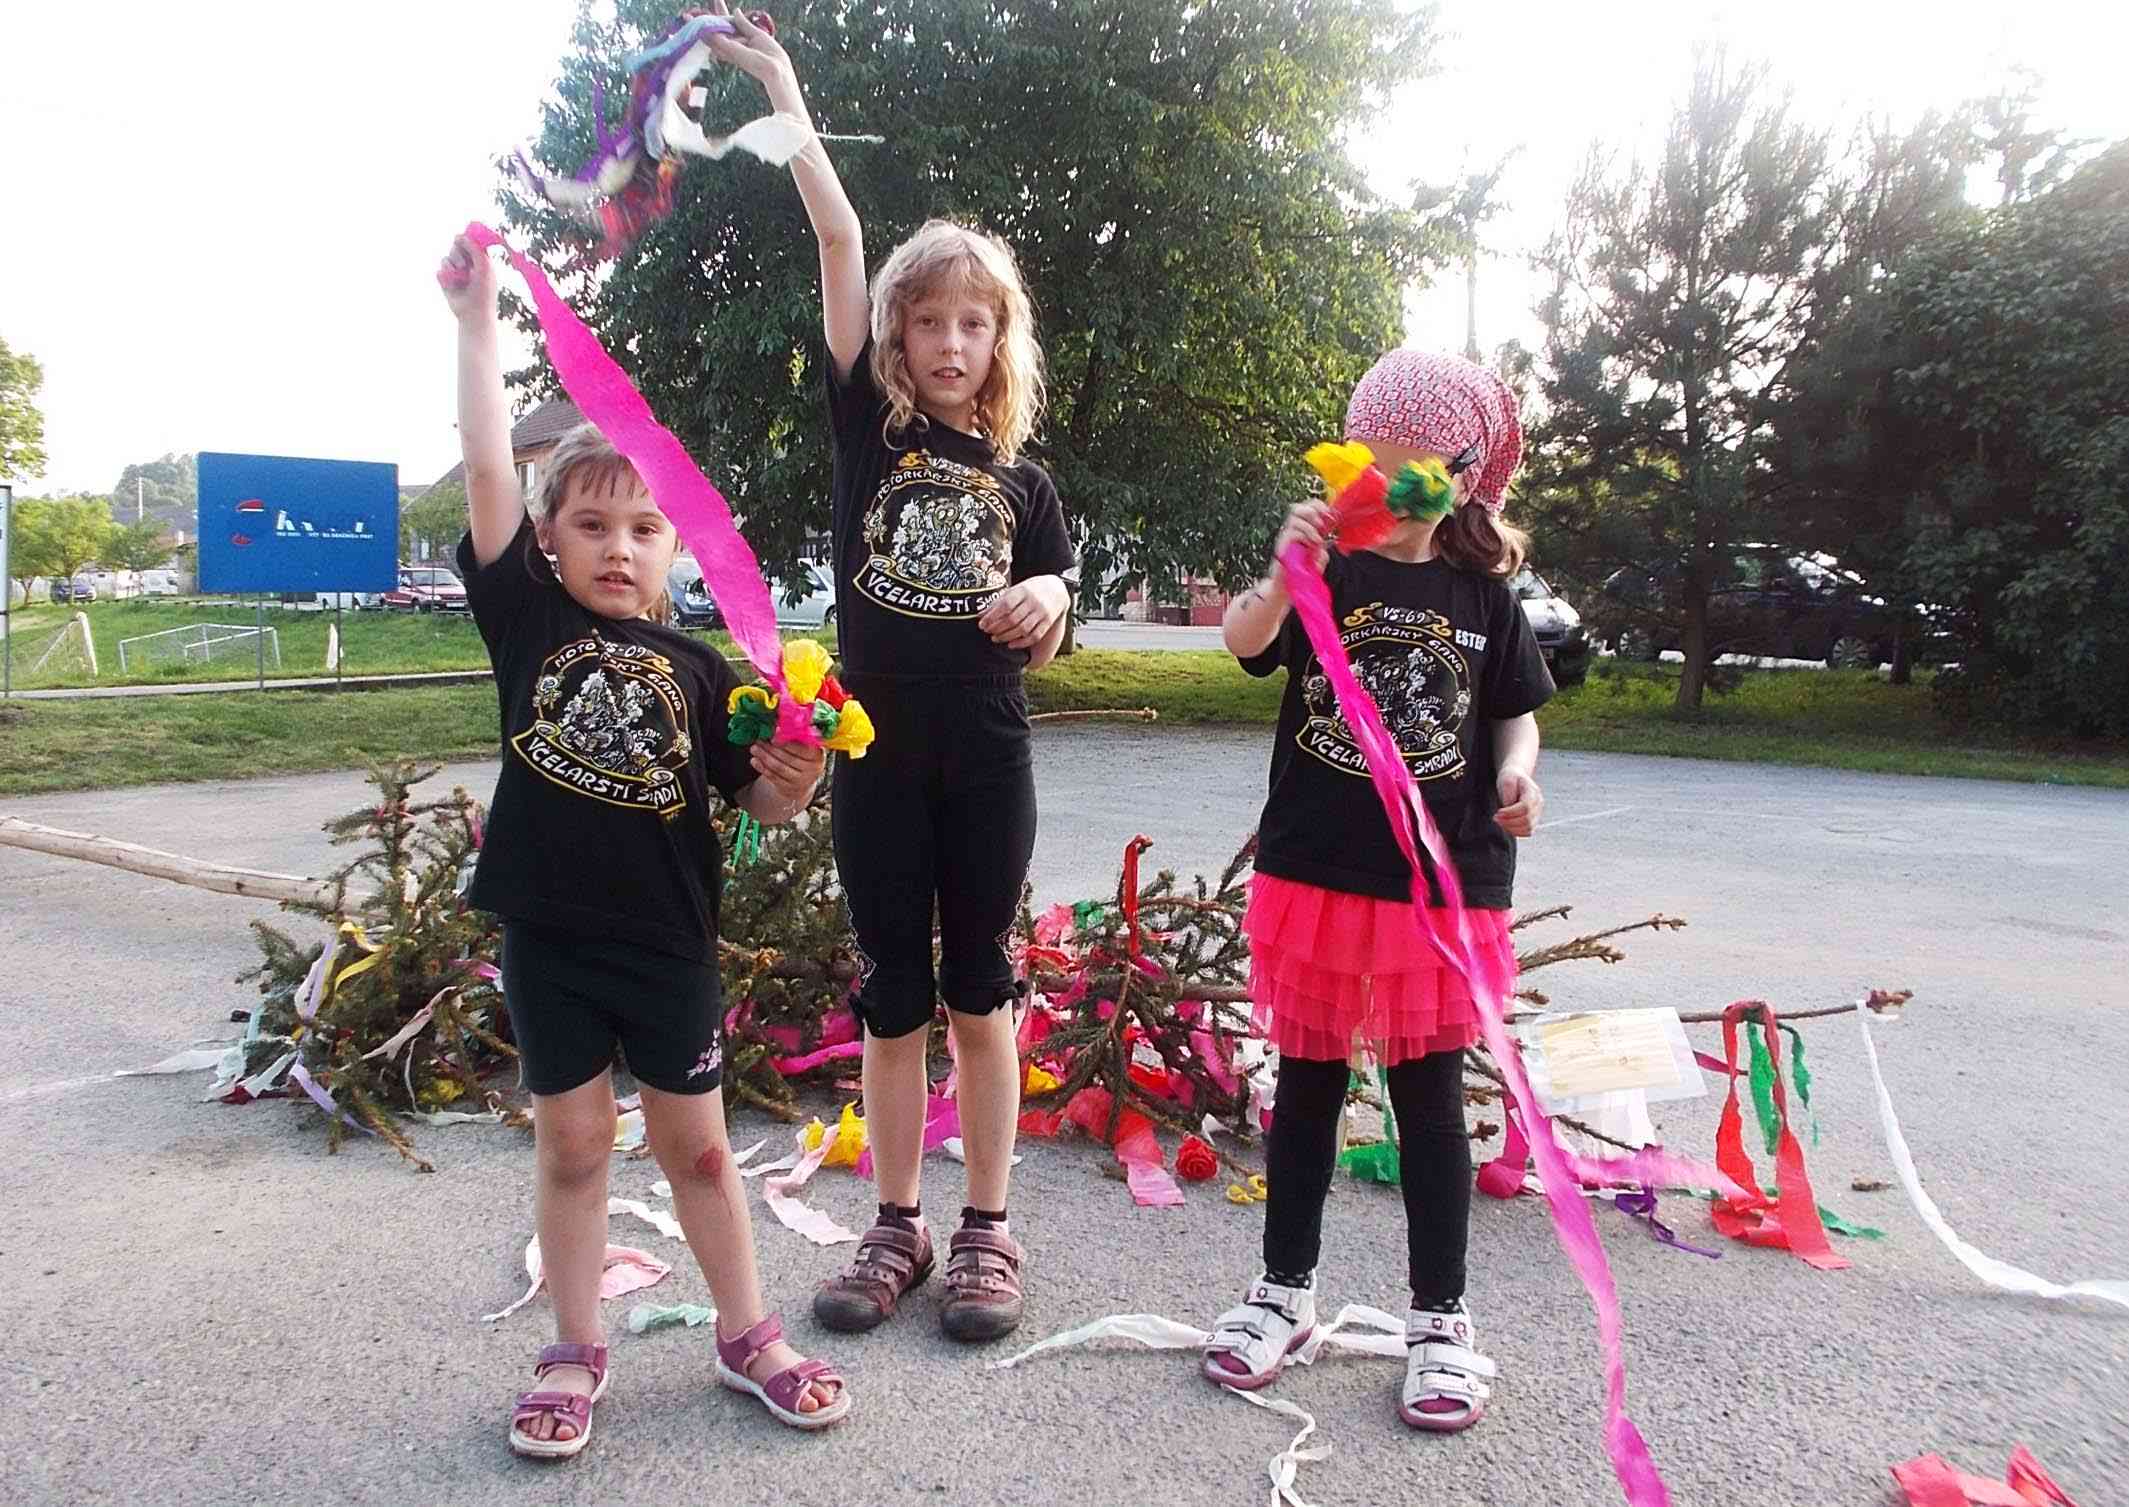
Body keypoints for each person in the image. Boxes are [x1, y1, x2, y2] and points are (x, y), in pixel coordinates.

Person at [438, 232, 850, 1455]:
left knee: (701, 1152)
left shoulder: (705, 668)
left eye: (645, 528)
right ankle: (573, 1347)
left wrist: (798, 774)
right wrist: (475, 324)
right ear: (550, 539)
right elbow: (485, 465)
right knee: (572, 1146)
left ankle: (746, 1333)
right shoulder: (524, 618)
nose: (618, 546)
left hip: (669, 945)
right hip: (551, 941)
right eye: (592, 524)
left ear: (677, 549)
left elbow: (759, 804)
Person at [706, 6, 1076, 1343]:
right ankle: (898, 1223)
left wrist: (1051, 596)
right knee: (892, 999)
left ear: (1000, 340)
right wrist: (785, 92)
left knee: (981, 990)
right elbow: (837, 236)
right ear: (897, 336)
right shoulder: (867, 425)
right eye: (928, 321)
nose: (951, 342)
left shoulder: (1025, 482)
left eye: (975, 322)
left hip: (986, 755)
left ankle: (986, 1227)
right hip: (875, 754)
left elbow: (1055, 612)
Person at [1204, 350, 1553, 1431]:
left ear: (1461, 478)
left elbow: (1514, 717)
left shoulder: (1484, 597)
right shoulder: (1333, 570)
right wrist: (1283, 572)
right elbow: (1243, 638)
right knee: (1306, 1089)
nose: (1388, 493)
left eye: (1415, 474)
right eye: (1370, 467)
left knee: (1427, 1102)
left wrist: (1518, 774)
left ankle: (1439, 1319)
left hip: (1439, 889)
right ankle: (1283, 1291)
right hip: (1318, 870)